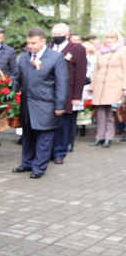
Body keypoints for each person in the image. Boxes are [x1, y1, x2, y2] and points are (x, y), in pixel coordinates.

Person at [11, 27, 68, 178]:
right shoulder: (23, 57)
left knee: (44, 137)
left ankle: (39, 167)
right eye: (28, 43)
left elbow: (62, 83)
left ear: (43, 41)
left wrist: (60, 105)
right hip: (27, 104)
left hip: (46, 104)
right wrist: (11, 92)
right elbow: (17, 77)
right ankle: (27, 162)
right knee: (28, 135)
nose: (29, 46)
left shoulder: (55, 57)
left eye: (33, 43)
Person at [48, 23, 87, 163]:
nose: (56, 37)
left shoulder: (77, 49)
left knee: (63, 124)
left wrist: (77, 96)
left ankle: (59, 153)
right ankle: (48, 151)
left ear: (67, 35)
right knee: (49, 124)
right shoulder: (48, 47)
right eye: (54, 34)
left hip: (67, 92)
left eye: (59, 35)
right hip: (49, 92)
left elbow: (81, 74)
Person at [88, 31, 126, 147]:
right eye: (107, 38)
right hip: (100, 87)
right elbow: (96, 70)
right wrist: (92, 86)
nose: (109, 40)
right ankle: (99, 137)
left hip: (115, 86)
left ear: (116, 39)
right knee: (100, 113)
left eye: (111, 38)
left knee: (111, 113)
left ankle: (108, 138)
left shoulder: (122, 51)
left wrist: (124, 87)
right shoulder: (101, 51)